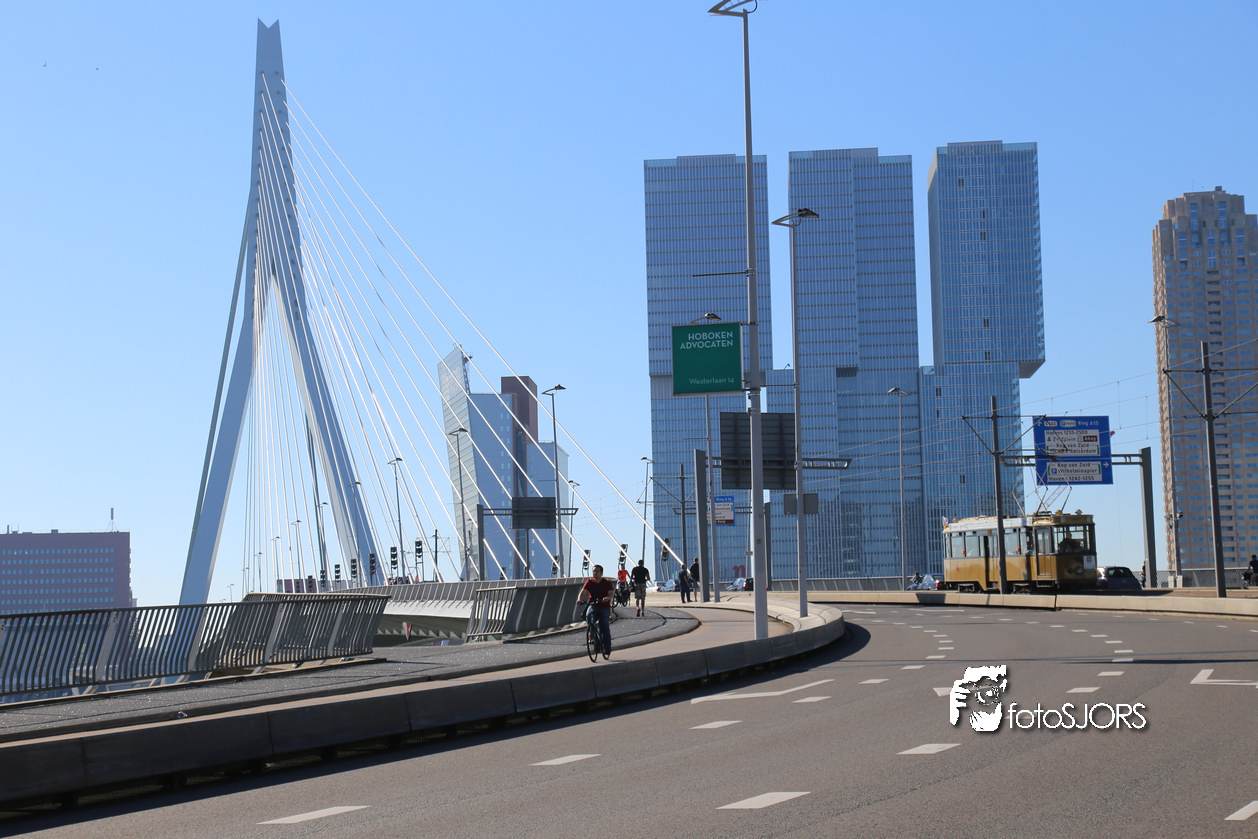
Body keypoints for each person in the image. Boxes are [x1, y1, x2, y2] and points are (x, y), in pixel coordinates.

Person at [578, 564, 615, 659]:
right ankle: (592, 634)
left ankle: (607, 647)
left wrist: (607, 598)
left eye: (597, 571)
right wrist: (579, 599)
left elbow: (611, 593)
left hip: (604, 606)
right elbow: (583, 592)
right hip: (593, 605)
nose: (595, 573)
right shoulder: (589, 582)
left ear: (601, 573)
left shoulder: (607, 583)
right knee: (589, 614)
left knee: (604, 625)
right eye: (594, 571)